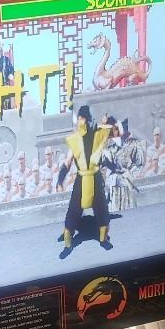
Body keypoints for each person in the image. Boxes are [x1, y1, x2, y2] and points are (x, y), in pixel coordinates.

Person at [56, 105, 112, 259]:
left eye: (81, 119)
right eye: (79, 119)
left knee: (102, 210)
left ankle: (103, 239)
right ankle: (67, 243)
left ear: (86, 119)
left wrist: (106, 119)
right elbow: (67, 162)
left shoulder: (98, 135)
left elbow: (109, 128)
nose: (79, 122)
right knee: (73, 211)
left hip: (95, 178)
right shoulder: (75, 139)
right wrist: (60, 179)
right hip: (81, 179)